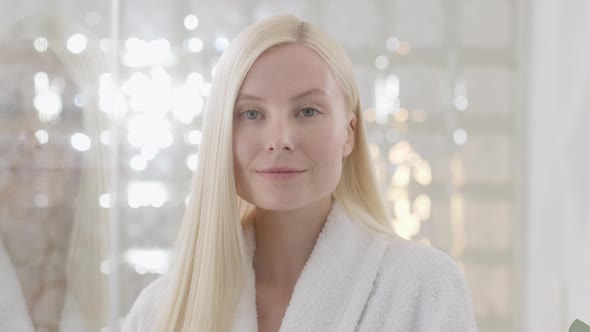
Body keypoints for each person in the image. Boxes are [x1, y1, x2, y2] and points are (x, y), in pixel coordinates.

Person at [124, 14, 477, 332]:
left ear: (349, 133)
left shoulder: (424, 289)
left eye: (307, 111)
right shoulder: (161, 310)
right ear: (221, 135)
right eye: (251, 114)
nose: (280, 140)